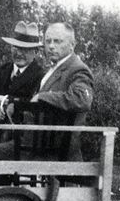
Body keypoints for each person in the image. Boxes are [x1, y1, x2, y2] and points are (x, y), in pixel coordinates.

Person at [33, 22, 94, 160]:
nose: (51, 46)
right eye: (48, 41)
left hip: (57, 151)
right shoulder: (53, 69)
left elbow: (82, 100)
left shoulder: (78, 69)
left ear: (72, 45)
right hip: (37, 143)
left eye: (57, 41)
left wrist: (43, 97)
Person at [0, 21, 46, 115]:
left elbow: (32, 106)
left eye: (25, 49)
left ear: (36, 51)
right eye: (15, 48)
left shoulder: (41, 77)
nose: (19, 53)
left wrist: (3, 99)